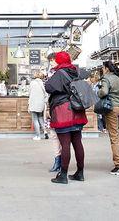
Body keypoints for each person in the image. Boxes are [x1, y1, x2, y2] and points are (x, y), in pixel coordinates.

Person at [45, 51, 87, 183]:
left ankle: (63, 175)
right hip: (77, 111)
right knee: (77, 142)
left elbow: (48, 87)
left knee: (65, 144)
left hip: (64, 111)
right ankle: (80, 173)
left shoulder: (59, 73)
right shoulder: (76, 72)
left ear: (59, 61)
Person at [99, 60, 119, 175]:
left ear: (106, 68)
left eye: (103, 68)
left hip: (112, 108)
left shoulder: (106, 78)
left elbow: (104, 91)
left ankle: (118, 165)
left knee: (114, 137)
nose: (102, 70)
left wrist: (99, 92)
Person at [28, 70, 47, 140]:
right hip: (41, 104)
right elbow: (46, 94)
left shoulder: (32, 83)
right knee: (40, 118)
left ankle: (38, 136)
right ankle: (45, 132)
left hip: (33, 103)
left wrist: (29, 104)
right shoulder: (43, 83)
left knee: (35, 119)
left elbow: (29, 94)